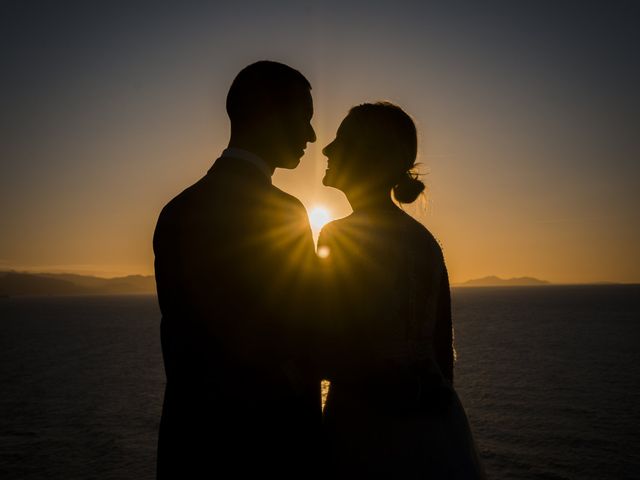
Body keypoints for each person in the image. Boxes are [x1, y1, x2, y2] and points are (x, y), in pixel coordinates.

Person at [153, 61, 321, 479]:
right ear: (269, 116)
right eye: (304, 118)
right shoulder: (283, 213)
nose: (311, 136)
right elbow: (299, 332)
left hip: (192, 444)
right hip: (266, 447)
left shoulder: (177, 211)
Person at [318, 102, 485, 478]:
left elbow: (330, 341)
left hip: (366, 430)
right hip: (436, 429)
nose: (327, 150)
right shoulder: (425, 242)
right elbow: (441, 352)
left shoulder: (339, 236)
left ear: (367, 155)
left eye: (341, 140)